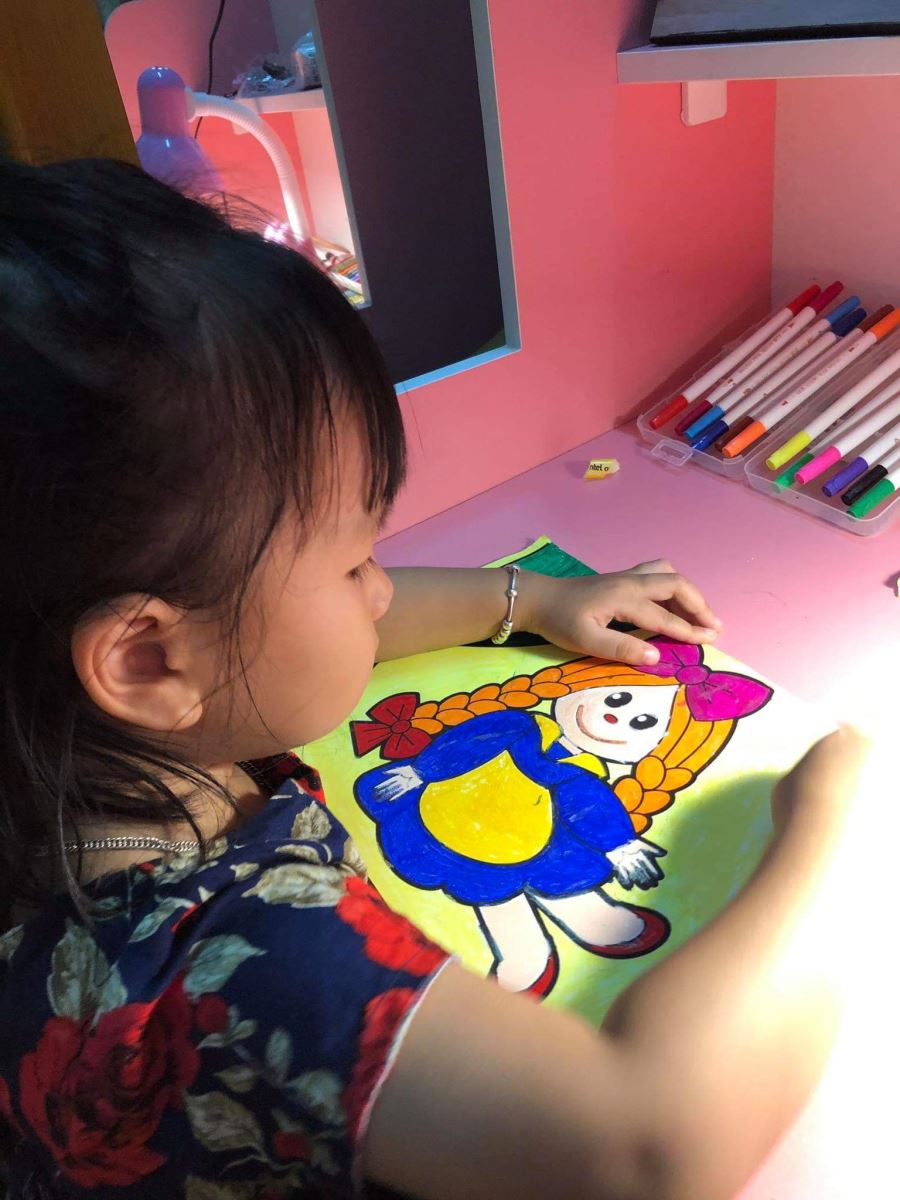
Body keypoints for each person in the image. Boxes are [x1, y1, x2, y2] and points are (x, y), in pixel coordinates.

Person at [0, 158, 869, 1200]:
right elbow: (649, 1147)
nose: (380, 591)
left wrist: (528, 598)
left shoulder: (73, 746)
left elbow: (287, 639)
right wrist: (828, 830)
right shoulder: (234, 964)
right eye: (352, 562)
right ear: (146, 660)